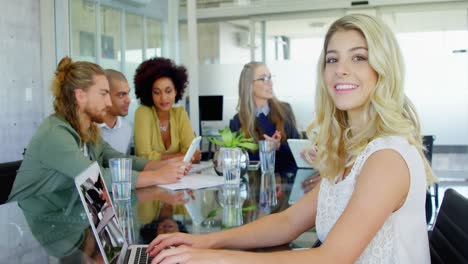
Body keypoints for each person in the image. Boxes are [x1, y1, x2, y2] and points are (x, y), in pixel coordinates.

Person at [146, 14, 436, 263]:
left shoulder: (387, 157)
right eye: (332, 59)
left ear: (383, 68)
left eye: (359, 57)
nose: (340, 69)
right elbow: (288, 222)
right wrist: (205, 242)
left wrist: (214, 257)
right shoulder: (350, 151)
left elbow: (331, 258)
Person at [8, 57, 189, 202]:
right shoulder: (55, 134)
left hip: (62, 217)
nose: (109, 102)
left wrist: (164, 166)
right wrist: (158, 176)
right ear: (80, 96)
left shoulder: (89, 132)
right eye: (103, 94)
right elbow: (96, 178)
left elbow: (121, 161)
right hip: (27, 225)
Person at [229, 62, 300, 170]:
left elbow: (299, 152)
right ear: (249, 86)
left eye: (270, 77)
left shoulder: (285, 110)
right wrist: (265, 149)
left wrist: (279, 146)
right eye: (263, 79)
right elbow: (239, 163)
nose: (270, 83)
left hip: (287, 182)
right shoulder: (237, 121)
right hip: (253, 184)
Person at [134, 57, 201, 162]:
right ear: (149, 94)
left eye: (168, 91)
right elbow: (144, 157)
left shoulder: (180, 113)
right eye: (157, 92)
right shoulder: (143, 113)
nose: (163, 98)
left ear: (176, 91)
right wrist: (183, 157)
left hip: (181, 177)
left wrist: (187, 156)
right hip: (152, 177)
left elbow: (191, 152)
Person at [99, 69, 132, 154]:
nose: (128, 100)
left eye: (128, 93)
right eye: (121, 95)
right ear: (105, 95)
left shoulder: (127, 129)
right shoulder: (88, 129)